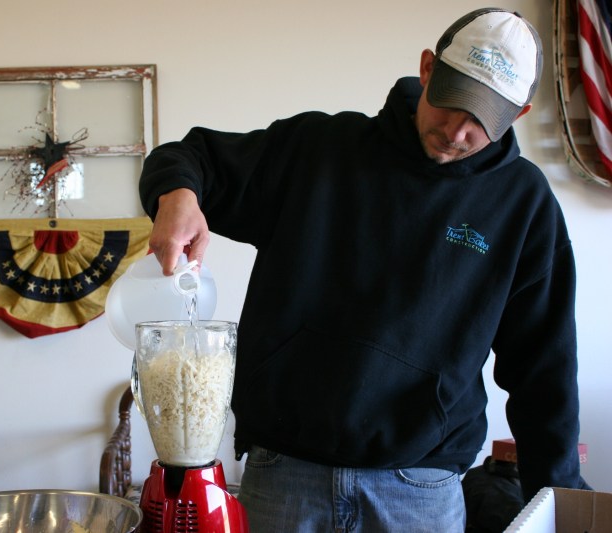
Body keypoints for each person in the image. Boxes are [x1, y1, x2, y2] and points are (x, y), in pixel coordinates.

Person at [139, 8, 584, 532]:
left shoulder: (523, 205)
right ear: (426, 70)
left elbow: (544, 370)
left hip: (421, 487)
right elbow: (193, 156)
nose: (459, 131)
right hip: (285, 474)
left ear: (521, 113)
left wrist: (560, 500)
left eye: (484, 118)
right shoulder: (317, 151)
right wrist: (177, 195)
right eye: (453, 103)